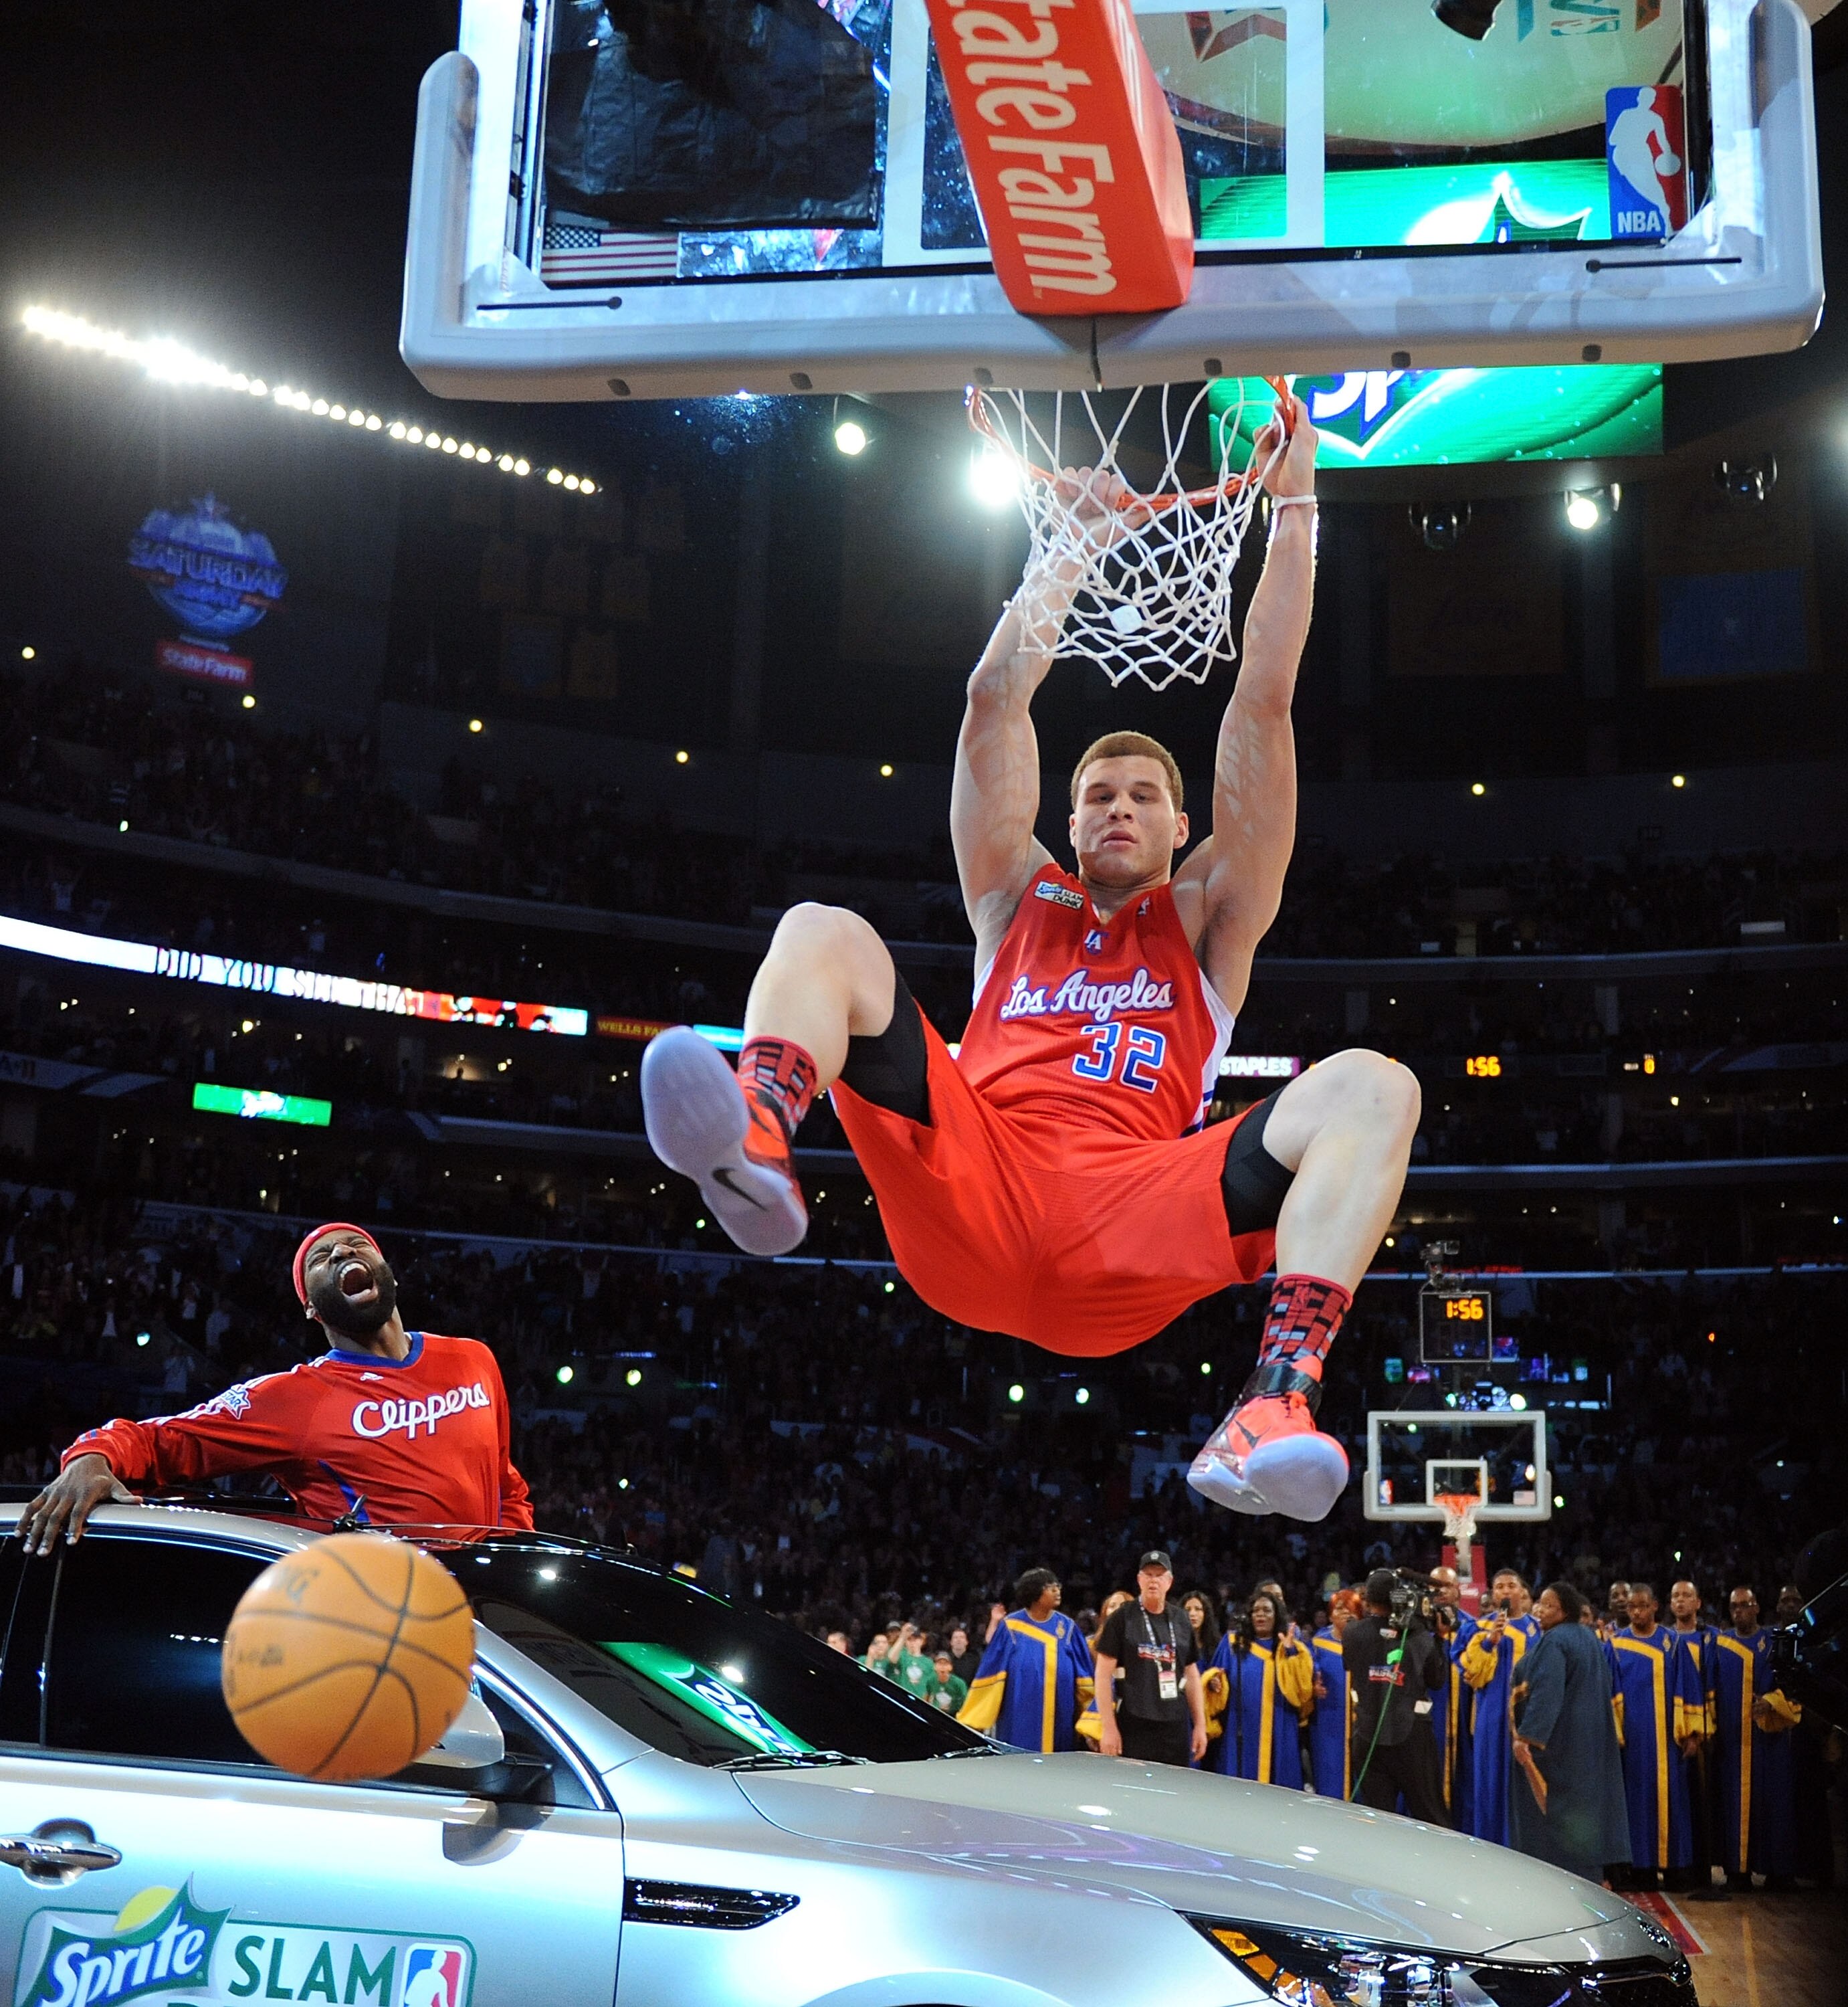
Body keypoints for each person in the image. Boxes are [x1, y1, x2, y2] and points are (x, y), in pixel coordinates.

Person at [640, 405, 1422, 1525]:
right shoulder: (1015, 899)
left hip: (1130, 1211)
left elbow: (1263, 694)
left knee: (1378, 1086)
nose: (1115, 806)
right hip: (975, 1173)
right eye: (1096, 793)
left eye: (1141, 795)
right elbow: (992, 702)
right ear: (1065, 818)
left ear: (1177, 824)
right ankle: (757, 1141)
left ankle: (1275, 1400)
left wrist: (1294, 504)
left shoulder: (1210, 916)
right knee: (823, 927)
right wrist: (1065, 551)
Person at [17, 1222, 530, 1548]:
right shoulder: (293, 1399)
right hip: (388, 1628)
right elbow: (164, 1441)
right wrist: (91, 1457)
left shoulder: (472, 1358)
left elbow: (504, 1483)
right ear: (310, 1306)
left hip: (491, 1627)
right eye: (320, 1259)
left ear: (387, 1273)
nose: (340, 1254)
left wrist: (515, 1574)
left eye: (355, 1245)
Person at [1510, 1582, 1632, 1885]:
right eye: (1540, 1603)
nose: (1540, 1609)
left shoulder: (1554, 1642)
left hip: (1562, 1746)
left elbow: (1546, 1695)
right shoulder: (1590, 1639)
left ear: (1565, 1610)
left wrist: (1527, 1738)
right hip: (1592, 1742)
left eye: (1549, 1605)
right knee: (1588, 1816)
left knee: (1559, 1819)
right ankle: (1593, 1881)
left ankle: (1559, 1887)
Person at [1610, 1582, 1705, 1886]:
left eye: (1642, 1606)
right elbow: (1611, 1694)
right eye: (1632, 1607)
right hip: (1632, 1741)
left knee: (1673, 1802)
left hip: (1668, 1741)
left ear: (1654, 1607)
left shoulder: (1673, 1643)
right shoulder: (1616, 1646)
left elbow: (1689, 1687)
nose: (1637, 1612)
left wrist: (1692, 1734)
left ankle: (1676, 1867)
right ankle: (1642, 1868)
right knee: (1637, 1804)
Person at [1711, 1586, 1801, 1889]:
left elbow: (1795, 1686)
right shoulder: (1721, 1645)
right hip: (1734, 1744)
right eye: (1734, 1606)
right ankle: (1738, 1873)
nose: (1739, 1612)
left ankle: (1780, 1873)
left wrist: (1772, 1702)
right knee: (1735, 1807)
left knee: (1776, 1807)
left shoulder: (1778, 1640)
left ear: (1757, 1607)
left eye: (1744, 1605)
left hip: (1771, 1742)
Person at [1342, 1569, 1449, 1823]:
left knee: (1378, 1820)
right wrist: (1440, 1637)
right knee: (1431, 1817)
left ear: (1367, 1600)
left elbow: (1350, 1665)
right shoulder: (1419, 1635)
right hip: (1411, 1739)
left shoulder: (1352, 1633)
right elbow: (1437, 1680)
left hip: (1367, 1737)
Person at [958, 1567, 1095, 1751]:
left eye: (1057, 1586)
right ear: (1034, 1592)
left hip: (1061, 1725)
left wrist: (1092, 1726)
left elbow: (1086, 1681)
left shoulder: (1068, 1629)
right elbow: (990, 1677)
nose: (1057, 1591)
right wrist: (972, 1724)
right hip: (1018, 1723)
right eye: (1050, 1587)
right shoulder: (1010, 1629)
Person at [1093, 1551, 1209, 1767]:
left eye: (1159, 1575)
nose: (1153, 1580)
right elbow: (1102, 1675)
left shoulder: (1182, 1620)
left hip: (1175, 1724)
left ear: (1169, 1581)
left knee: (1173, 1791)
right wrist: (1108, 1728)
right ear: (1139, 1580)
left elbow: (1192, 1675)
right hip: (1134, 1722)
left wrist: (1201, 1726)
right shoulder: (1122, 1618)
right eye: (1148, 1574)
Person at [1460, 1569, 1539, 1844]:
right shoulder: (1479, 1629)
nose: (1506, 1591)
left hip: (1528, 1721)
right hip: (1491, 1719)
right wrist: (1491, 1642)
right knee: (1490, 1785)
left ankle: (1523, 1847)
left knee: (1525, 1785)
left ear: (1522, 1592)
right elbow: (1471, 1675)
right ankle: (1489, 1847)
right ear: (1493, 1595)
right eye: (1500, 1587)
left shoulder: (1538, 1629)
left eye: (1511, 1586)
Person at [1209, 1586, 1314, 1786]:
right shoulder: (1234, 1643)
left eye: (1267, 1610)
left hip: (1281, 1724)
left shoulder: (1290, 1648)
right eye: (1256, 1610)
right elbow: (1215, 1679)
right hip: (1240, 1727)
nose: (1261, 1615)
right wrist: (1215, 1683)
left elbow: (1303, 1691)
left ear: (1277, 1615)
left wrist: (1291, 1653)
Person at [1669, 1578, 1722, 1892]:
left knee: (1703, 1802)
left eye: (1687, 1596)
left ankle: (1704, 1871)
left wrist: (1704, 1731)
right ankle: (1681, 1866)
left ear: (1698, 1603)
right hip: (1673, 1734)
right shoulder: (1665, 1640)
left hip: (1704, 1731)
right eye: (1676, 1596)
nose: (1681, 1601)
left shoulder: (1710, 1640)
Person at [1429, 1564, 1477, 1828]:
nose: (1440, 1592)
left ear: (1458, 1589)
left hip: (1462, 1716)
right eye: (1434, 1586)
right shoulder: (1416, 1627)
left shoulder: (1472, 1627)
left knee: (1463, 1778)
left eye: (1445, 1585)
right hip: (1426, 1715)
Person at [1308, 1588, 1362, 1799]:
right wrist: (1313, 1687)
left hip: (1362, 1722)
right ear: (1330, 1615)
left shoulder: (1369, 1642)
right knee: (1330, 1777)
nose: (1347, 1614)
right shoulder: (1318, 1644)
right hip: (1328, 1722)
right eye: (1340, 1609)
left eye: (1352, 1609)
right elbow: (1308, 1676)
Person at [924, 1648, 970, 1717]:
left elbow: (966, 1702)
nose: (942, 1667)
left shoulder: (959, 1683)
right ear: (935, 1667)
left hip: (954, 1716)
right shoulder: (931, 1681)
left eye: (945, 1664)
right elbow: (926, 1698)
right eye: (940, 1664)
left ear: (950, 1667)